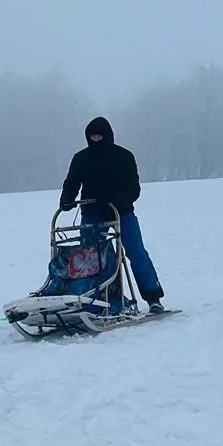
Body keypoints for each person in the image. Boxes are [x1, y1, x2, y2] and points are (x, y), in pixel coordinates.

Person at [59, 116, 166, 312]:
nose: (96, 140)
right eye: (93, 137)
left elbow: (133, 188)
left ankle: (153, 297)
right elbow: (72, 182)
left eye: (100, 136)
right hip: (92, 213)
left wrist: (119, 200)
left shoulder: (124, 156)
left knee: (136, 252)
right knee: (92, 259)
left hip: (121, 212)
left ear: (107, 136)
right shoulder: (81, 158)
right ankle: (99, 297)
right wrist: (66, 199)